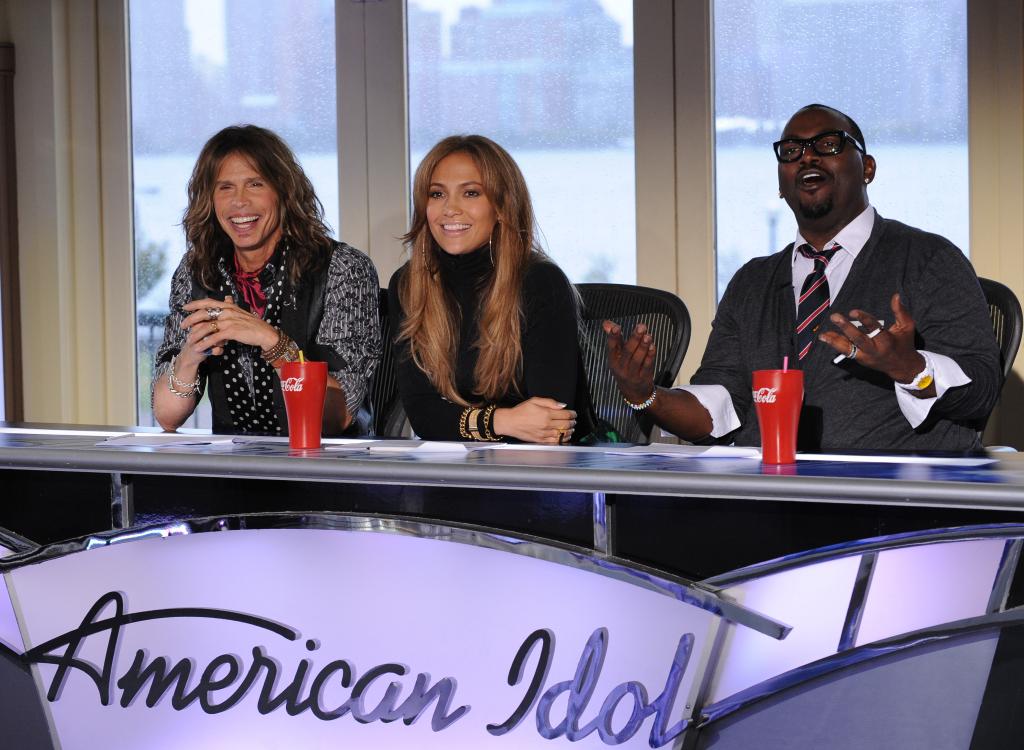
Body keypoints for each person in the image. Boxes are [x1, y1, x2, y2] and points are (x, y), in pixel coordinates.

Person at [605, 104, 1001, 452]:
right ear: (781, 184)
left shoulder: (929, 259)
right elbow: (721, 403)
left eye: (828, 144)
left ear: (867, 167)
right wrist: (647, 396)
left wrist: (911, 367)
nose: (807, 158)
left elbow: (982, 391)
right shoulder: (752, 281)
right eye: (792, 151)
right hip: (768, 502)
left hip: (889, 506)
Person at [152, 125, 380, 436]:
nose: (239, 202)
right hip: (234, 469)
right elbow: (167, 417)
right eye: (225, 187)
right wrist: (190, 356)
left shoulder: (344, 267)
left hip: (326, 471)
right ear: (210, 199)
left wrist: (273, 342)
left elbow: (336, 417)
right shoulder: (197, 270)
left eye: (255, 184)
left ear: (284, 191)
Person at [388, 134, 591, 444]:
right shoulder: (408, 285)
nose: (450, 209)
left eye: (470, 193)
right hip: (455, 470)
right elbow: (423, 414)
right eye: (437, 194)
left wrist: (466, 423)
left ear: (501, 206)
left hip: (546, 472)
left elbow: (551, 424)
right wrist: (504, 420)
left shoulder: (541, 282)